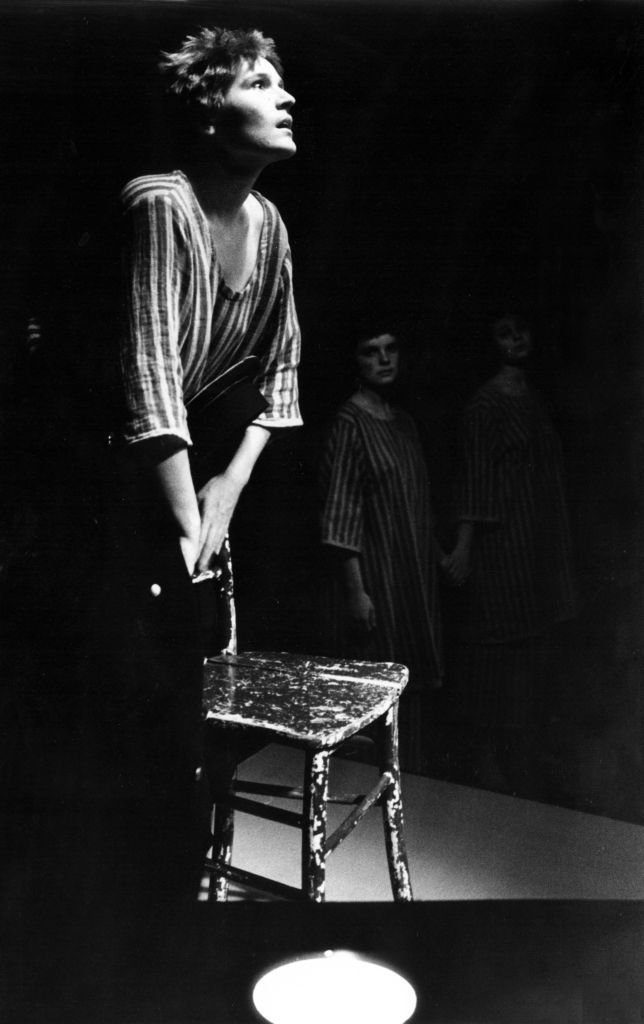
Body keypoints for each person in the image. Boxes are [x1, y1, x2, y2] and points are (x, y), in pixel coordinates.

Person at [443, 311, 577, 793]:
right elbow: (475, 479)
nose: (516, 340)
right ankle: (488, 760)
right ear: (492, 342)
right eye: (504, 333)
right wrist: (464, 547)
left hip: (538, 544)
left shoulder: (534, 396)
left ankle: (525, 756)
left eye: (522, 330)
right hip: (502, 549)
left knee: (533, 651)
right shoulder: (484, 405)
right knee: (498, 653)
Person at [319, 327, 443, 773]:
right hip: (376, 582)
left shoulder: (404, 422)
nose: (384, 359)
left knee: (414, 691)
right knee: (377, 692)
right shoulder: (349, 423)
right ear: (356, 362)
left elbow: (415, 503)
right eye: (371, 352)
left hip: (413, 579)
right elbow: (339, 515)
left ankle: (412, 790)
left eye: (391, 349)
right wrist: (356, 592)